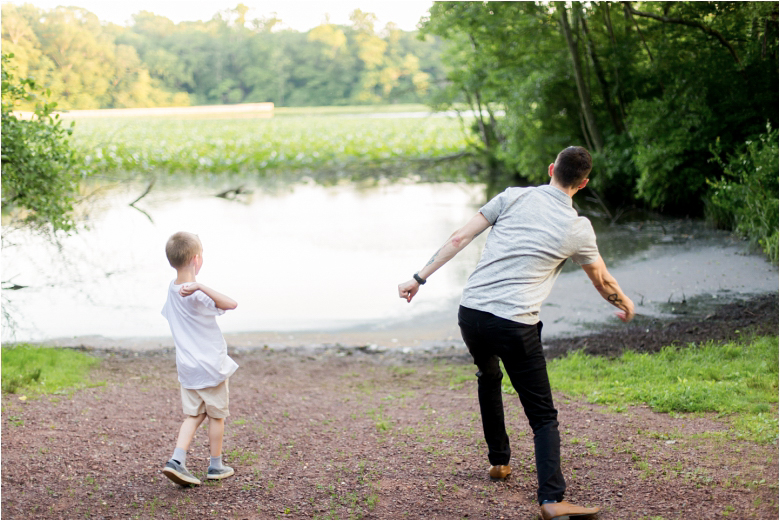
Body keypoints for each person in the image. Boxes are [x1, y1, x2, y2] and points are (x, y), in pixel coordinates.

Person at [398, 146, 634, 520]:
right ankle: (552, 499)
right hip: (514, 323)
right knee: (543, 416)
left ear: (551, 168)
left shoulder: (513, 197)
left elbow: (460, 238)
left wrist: (418, 278)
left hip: (471, 313)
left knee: (489, 375)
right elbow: (602, 278)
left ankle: (498, 462)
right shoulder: (578, 228)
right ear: (583, 183)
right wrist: (622, 302)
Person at [160, 231, 239, 486]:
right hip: (210, 366)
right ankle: (215, 465)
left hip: (188, 367)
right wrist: (201, 285)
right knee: (216, 415)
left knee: (194, 415)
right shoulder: (196, 293)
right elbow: (231, 304)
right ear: (196, 260)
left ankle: (176, 460)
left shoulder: (172, 290)